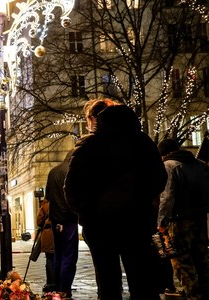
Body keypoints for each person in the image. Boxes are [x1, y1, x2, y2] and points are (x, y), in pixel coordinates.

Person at [64, 101, 167, 300]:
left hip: (100, 224)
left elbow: (72, 188)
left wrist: (87, 211)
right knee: (141, 279)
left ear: (98, 121)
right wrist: (143, 202)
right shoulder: (143, 143)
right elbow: (159, 178)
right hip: (137, 221)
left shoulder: (89, 145)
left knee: (107, 281)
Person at [157, 138, 209, 299]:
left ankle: (192, 294)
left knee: (182, 262)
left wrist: (160, 221)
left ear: (164, 153)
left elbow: (167, 197)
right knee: (201, 258)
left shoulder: (168, 167)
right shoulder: (200, 165)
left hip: (178, 221)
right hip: (199, 218)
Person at [45, 150, 78, 297]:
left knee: (58, 254)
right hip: (68, 219)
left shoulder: (53, 172)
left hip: (56, 218)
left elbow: (48, 197)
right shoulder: (71, 171)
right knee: (69, 256)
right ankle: (65, 290)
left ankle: (58, 288)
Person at [36, 198, 55, 293]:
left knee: (50, 259)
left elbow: (39, 221)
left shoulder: (45, 205)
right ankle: (59, 282)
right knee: (59, 258)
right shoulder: (60, 201)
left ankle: (51, 283)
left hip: (47, 234)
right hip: (58, 232)